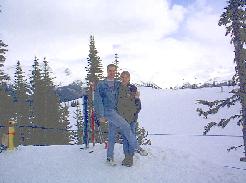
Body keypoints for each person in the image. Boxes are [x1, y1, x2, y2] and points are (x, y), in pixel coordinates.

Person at [94, 64, 138, 166]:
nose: (112, 73)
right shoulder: (101, 84)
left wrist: (136, 95)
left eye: (114, 71)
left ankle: (109, 157)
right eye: (110, 71)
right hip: (108, 111)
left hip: (117, 112)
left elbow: (127, 90)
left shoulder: (118, 83)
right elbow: (98, 100)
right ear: (107, 71)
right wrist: (100, 115)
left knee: (112, 135)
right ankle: (137, 147)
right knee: (126, 126)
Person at [117, 71, 148, 167]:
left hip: (132, 118)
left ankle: (130, 157)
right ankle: (127, 156)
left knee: (131, 136)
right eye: (122, 77)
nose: (124, 79)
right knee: (125, 138)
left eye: (126, 77)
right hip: (122, 118)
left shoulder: (133, 88)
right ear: (121, 78)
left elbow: (138, 104)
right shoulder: (118, 89)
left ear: (129, 78)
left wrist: (134, 114)